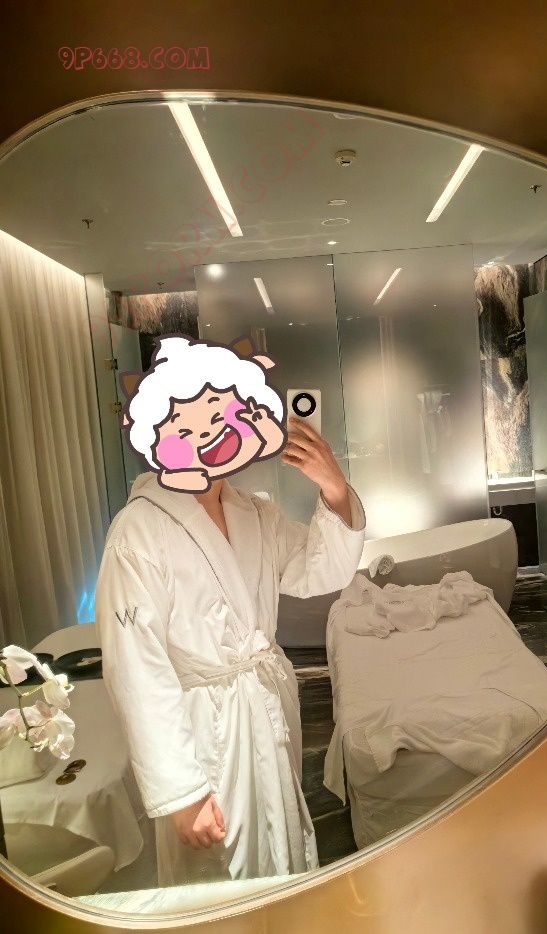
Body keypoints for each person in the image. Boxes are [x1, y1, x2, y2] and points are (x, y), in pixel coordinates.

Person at [95, 336, 365, 884]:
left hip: (260, 708)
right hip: (204, 733)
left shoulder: (254, 513)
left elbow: (320, 571)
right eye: (196, 422)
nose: (215, 434)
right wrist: (180, 792)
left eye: (226, 416)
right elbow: (136, 668)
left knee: (280, 849)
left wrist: (334, 488)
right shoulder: (138, 531)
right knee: (220, 878)